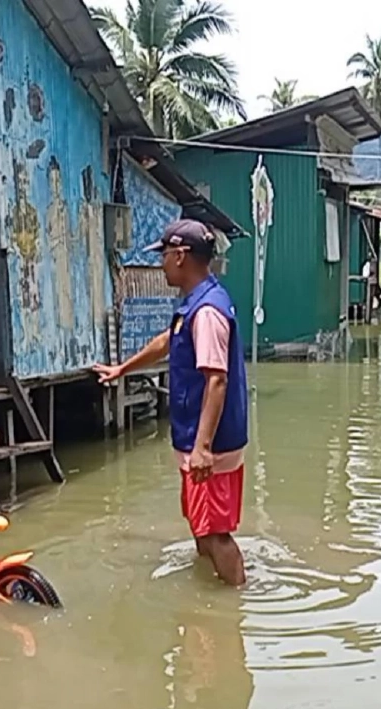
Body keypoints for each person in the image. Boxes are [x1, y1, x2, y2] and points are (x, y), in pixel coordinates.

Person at [93, 220, 248, 587]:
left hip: (211, 444)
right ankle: (208, 592)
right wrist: (123, 369)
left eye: (163, 255)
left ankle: (233, 604)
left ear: (180, 256)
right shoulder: (195, 304)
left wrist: (203, 448)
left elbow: (217, 380)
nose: (160, 263)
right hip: (198, 439)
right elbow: (168, 340)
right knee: (201, 523)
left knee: (216, 532)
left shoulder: (207, 312)